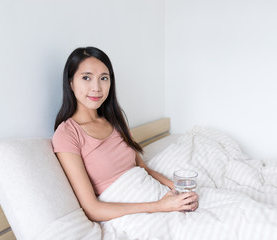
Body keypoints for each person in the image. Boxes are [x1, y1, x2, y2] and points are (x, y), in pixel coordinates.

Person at [52, 46, 198, 222]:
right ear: (70, 83)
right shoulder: (67, 134)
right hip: (133, 214)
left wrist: (179, 192)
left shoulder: (114, 121)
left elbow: (142, 168)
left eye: (103, 78)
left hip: (156, 198)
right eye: (86, 78)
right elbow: (92, 209)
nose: (96, 87)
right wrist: (159, 206)